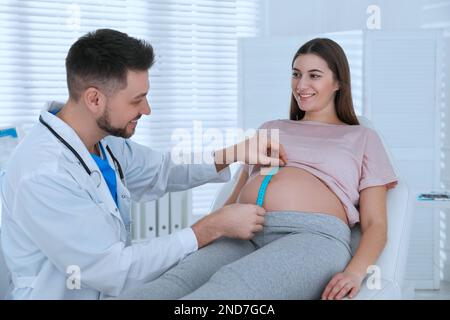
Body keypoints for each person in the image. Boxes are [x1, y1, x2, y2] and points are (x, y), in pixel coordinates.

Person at [0, 29, 286, 300]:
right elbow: (111, 268)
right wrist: (208, 228)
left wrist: (234, 152)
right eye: (137, 100)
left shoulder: (102, 139)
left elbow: (162, 169)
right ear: (94, 99)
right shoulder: (42, 173)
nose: (146, 110)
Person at [118, 38, 398, 300]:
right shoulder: (271, 128)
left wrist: (355, 271)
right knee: (168, 285)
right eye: (296, 74)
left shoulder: (362, 137)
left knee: (227, 290)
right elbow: (238, 193)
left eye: (314, 75)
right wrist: (210, 232)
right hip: (244, 230)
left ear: (338, 82)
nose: (301, 84)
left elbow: (376, 224)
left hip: (311, 236)